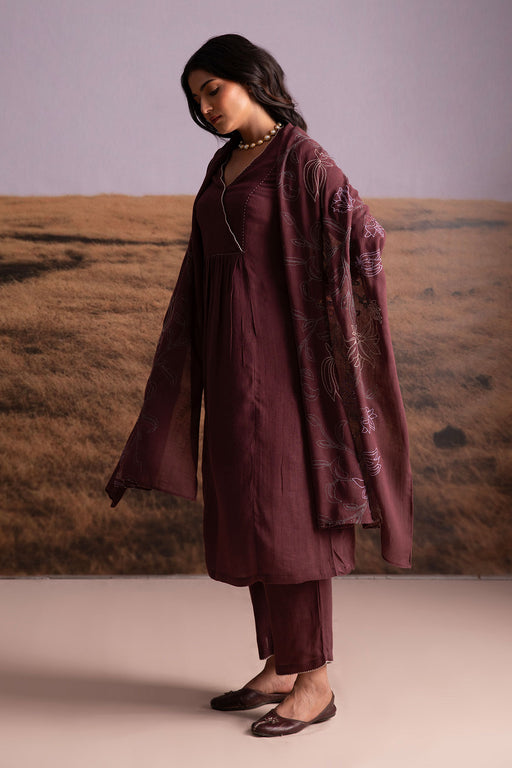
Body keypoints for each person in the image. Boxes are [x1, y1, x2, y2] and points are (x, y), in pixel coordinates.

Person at [106, 34, 413, 737]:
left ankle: (315, 683)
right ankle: (278, 664)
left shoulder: (301, 158)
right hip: (228, 364)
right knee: (250, 509)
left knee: (290, 514)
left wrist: (326, 286)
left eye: (213, 88)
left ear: (252, 78)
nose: (204, 106)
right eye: (195, 98)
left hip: (285, 369)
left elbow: (363, 231)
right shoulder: (223, 163)